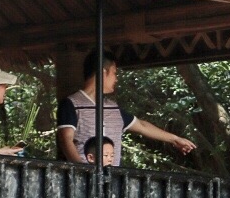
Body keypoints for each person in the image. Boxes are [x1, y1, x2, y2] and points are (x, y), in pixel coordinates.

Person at [56, 48, 195, 163]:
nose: (116, 79)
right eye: (115, 73)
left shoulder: (113, 109)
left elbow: (142, 125)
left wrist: (175, 139)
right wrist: (83, 171)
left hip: (111, 182)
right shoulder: (71, 104)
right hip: (82, 183)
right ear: (103, 72)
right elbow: (65, 140)